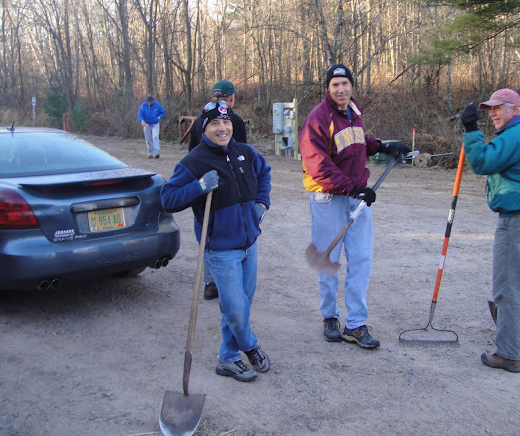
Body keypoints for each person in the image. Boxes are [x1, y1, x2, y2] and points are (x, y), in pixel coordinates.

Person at [299, 63, 410, 349]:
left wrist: (383, 146)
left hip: (356, 197)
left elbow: (356, 142)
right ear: (328, 89)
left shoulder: (353, 112)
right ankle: (330, 317)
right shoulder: (318, 118)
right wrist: (353, 188)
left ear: (351, 86)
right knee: (327, 259)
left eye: (345, 83)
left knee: (361, 259)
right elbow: (317, 165)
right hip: (329, 199)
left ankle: (356, 323)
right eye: (335, 85)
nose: (341, 89)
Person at [161, 102, 272, 382]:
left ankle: (228, 358)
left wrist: (261, 203)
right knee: (235, 308)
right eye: (214, 124)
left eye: (226, 123)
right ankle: (250, 346)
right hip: (221, 249)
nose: (222, 128)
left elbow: (264, 172)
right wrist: (198, 186)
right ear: (204, 128)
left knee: (241, 305)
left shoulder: (245, 152)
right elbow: (168, 198)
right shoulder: (194, 161)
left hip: (249, 245)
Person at [460, 88, 520, 373]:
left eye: (498, 108)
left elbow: (482, 162)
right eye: (490, 109)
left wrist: (471, 131)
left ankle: (509, 353)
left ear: (514, 108)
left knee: (508, 287)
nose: (493, 113)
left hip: (516, 220)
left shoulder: (515, 136)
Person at [188, 80, 248, 301]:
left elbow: (191, 155)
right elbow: (242, 155)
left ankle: (211, 281)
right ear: (231, 98)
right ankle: (220, 281)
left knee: (208, 232)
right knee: (225, 232)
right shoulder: (235, 121)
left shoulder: (200, 120)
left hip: (203, 182)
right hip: (226, 188)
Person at [137, 94, 165, 159]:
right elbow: (140, 114)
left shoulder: (157, 105)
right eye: (149, 101)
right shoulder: (143, 106)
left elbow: (163, 112)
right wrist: (142, 121)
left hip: (155, 123)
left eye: (151, 101)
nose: (150, 103)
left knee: (155, 136)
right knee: (148, 139)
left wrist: (158, 117)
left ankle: (156, 152)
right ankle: (150, 153)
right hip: (146, 124)